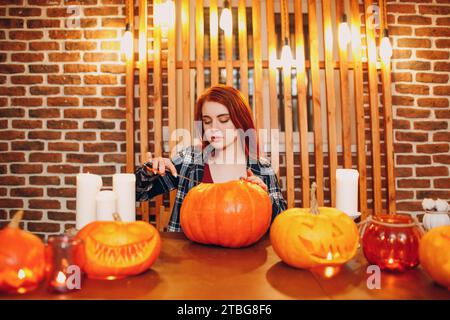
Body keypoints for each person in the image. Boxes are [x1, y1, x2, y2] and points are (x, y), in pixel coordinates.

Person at [135, 84, 287, 232]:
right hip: (191, 256)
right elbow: (138, 193)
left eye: (223, 120)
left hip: (245, 256)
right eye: (207, 121)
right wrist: (149, 172)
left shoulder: (262, 168)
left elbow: (282, 227)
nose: (213, 128)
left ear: (241, 121)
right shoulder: (189, 160)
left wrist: (265, 197)